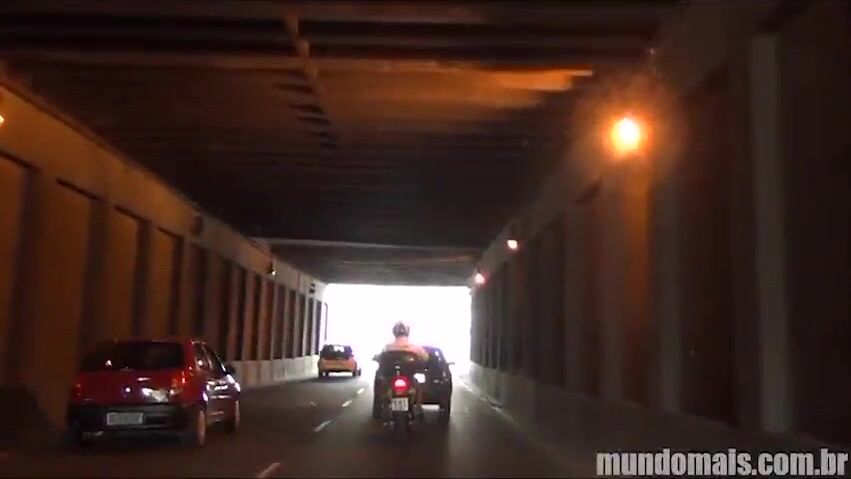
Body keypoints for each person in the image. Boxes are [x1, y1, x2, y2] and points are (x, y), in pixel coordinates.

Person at [381, 321, 428, 416]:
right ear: (407, 332)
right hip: (409, 376)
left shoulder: (388, 347)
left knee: (384, 388)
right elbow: (425, 357)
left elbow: (381, 358)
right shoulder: (414, 346)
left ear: (394, 332)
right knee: (419, 388)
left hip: (391, 377)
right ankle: (418, 407)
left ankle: (384, 408)